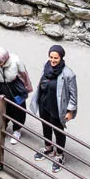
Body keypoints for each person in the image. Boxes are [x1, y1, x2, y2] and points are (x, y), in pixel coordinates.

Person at [35, 44, 78, 172]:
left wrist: (70, 111)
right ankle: (48, 147)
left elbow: (73, 96)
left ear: (61, 58)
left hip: (58, 107)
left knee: (58, 131)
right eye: (51, 57)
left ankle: (59, 154)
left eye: (56, 58)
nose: (53, 60)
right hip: (44, 104)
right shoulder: (46, 66)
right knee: (46, 126)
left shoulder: (68, 74)